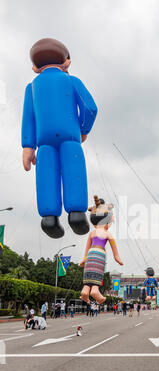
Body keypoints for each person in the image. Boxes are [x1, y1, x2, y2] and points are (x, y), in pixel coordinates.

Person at [22, 38, 98, 238]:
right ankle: (76, 215)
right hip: (69, 137)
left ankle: (49, 220)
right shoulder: (71, 81)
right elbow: (90, 108)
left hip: (44, 142)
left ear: (35, 68)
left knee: (46, 174)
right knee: (74, 170)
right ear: (67, 62)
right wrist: (83, 130)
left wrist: (28, 147)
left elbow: (28, 118)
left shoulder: (31, 88)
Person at [80, 196, 123, 304]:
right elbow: (115, 252)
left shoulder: (92, 233)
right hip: (100, 254)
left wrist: (84, 259)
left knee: (88, 277)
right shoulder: (108, 234)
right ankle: (95, 292)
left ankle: (85, 292)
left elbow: (87, 248)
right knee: (96, 277)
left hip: (90, 254)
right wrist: (118, 259)